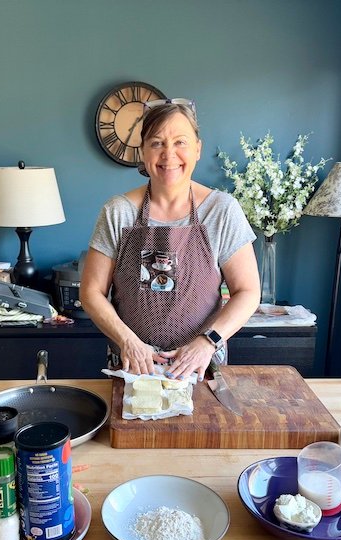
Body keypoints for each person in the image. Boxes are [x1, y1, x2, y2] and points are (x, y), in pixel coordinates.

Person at [80, 99, 260, 382]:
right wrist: (128, 341)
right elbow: (90, 292)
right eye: (157, 143)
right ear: (142, 151)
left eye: (180, 142)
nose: (169, 154)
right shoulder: (118, 211)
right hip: (133, 365)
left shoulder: (221, 211)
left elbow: (248, 291)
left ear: (197, 149)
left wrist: (207, 343)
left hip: (201, 365)